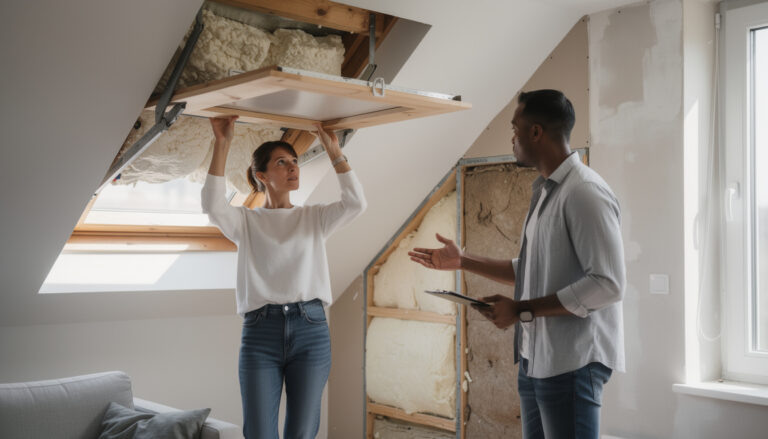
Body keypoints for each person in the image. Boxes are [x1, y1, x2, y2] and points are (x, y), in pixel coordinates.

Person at [409, 90, 625, 439]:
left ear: (536, 132)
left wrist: (522, 310)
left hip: (572, 364)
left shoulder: (585, 192)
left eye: (515, 127)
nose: (512, 137)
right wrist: (463, 261)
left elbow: (608, 283)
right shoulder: (546, 192)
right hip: (535, 360)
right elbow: (530, 268)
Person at [202, 116, 366, 439]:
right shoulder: (245, 222)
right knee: (260, 433)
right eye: (282, 162)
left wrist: (335, 153)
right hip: (261, 333)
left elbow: (356, 203)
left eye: (294, 161)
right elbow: (211, 205)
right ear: (261, 176)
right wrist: (222, 143)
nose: (293, 168)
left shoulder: (314, 217)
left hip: (311, 330)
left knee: (302, 433)